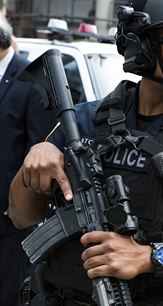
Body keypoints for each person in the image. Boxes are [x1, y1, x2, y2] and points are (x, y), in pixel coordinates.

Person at [7, 0, 163, 305]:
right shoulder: (85, 121)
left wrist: (147, 256)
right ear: (143, 46)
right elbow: (21, 215)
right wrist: (35, 162)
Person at [0, 12, 56, 306]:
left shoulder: (30, 79)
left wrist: (18, 206)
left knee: (8, 293)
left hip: (10, 217)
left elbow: (41, 147)